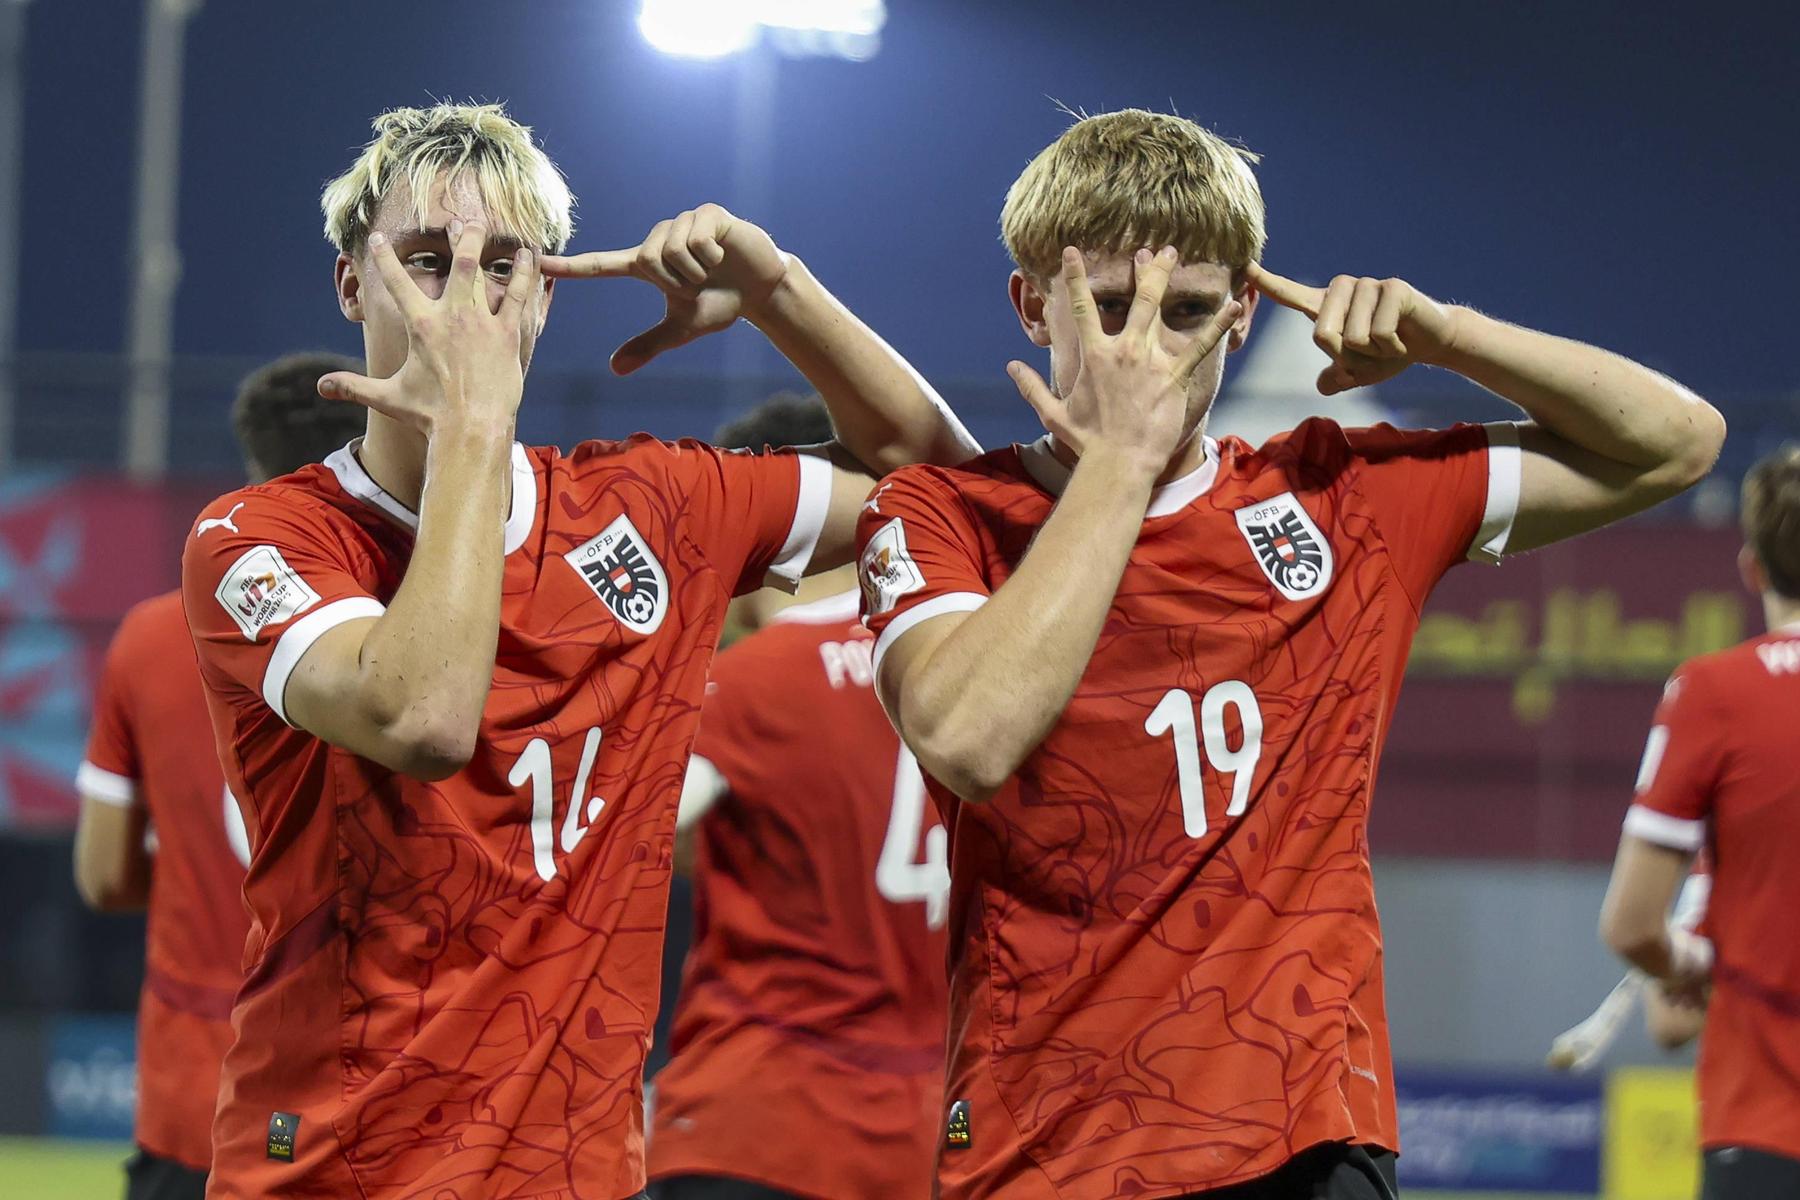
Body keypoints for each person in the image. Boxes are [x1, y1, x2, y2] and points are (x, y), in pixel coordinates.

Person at [855, 108, 1726, 1200]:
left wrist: (1445, 336)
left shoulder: (1337, 497)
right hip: (1046, 1147)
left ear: (1241, 316)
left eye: (1186, 313)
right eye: (1110, 309)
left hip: (1305, 1134)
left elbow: (1676, 442)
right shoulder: (937, 512)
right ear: (1032, 305)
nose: (1146, 353)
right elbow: (967, 740)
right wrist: (1121, 465)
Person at [179, 102, 976, 1200]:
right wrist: (472, 424)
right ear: (351, 287)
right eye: (425, 260)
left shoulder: (654, 504)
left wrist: (778, 296)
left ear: (546, 293)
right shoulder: (259, 538)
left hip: (575, 1174)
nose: (468, 298)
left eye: (503, 262)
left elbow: (956, 498)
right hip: (330, 1170)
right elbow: (421, 716)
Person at [73, 352, 367, 1200]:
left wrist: (196, 883)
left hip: (190, 1090)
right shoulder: (409, 644)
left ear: (250, 463)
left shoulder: (148, 637)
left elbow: (101, 876)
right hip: (352, 1089)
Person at [647, 396, 950, 1200]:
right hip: (942, 1143)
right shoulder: (979, 676)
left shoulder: (749, 685)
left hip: (762, 1124)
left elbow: (608, 842)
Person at [1600, 445, 1800, 1200]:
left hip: (1767, 1130)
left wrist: (1684, 960)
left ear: (1752, 568)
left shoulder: (1717, 693)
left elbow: (1633, 936)